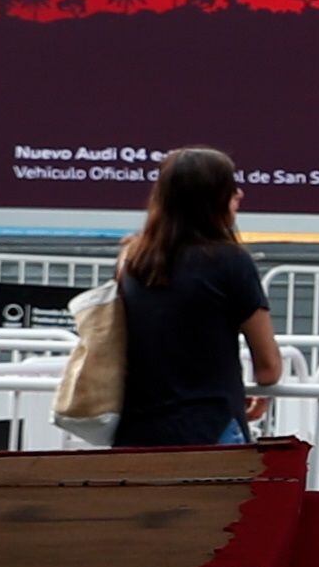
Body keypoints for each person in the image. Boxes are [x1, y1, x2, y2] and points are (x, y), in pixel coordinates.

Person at [112, 146, 281, 448]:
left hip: (137, 434)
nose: (239, 193)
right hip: (211, 430)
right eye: (230, 187)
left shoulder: (131, 260)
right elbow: (268, 365)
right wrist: (263, 393)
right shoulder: (232, 262)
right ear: (213, 199)